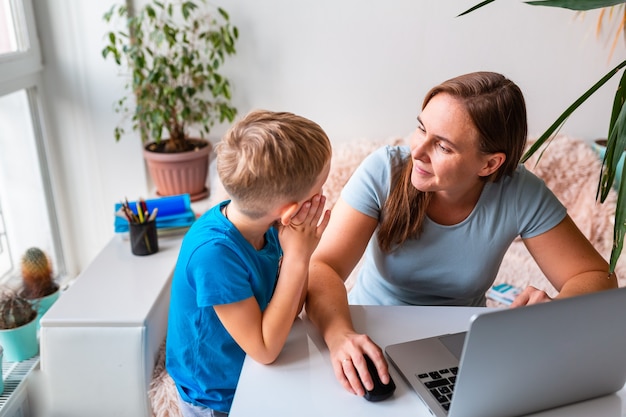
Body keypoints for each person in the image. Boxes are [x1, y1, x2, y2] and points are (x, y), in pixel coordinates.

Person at [304, 71, 618, 398]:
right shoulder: (382, 171)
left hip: (462, 347)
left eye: (442, 146)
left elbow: (597, 276)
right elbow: (321, 267)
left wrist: (553, 310)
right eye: (421, 128)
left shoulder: (519, 192)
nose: (418, 150)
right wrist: (340, 335)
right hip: (367, 334)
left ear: (489, 164)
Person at [166, 110, 332, 416]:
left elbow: (290, 307)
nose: (325, 193)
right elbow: (265, 349)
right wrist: (297, 258)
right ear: (289, 210)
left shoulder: (264, 225)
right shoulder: (213, 255)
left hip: (255, 371)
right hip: (216, 396)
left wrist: (298, 253)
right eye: (321, 185)